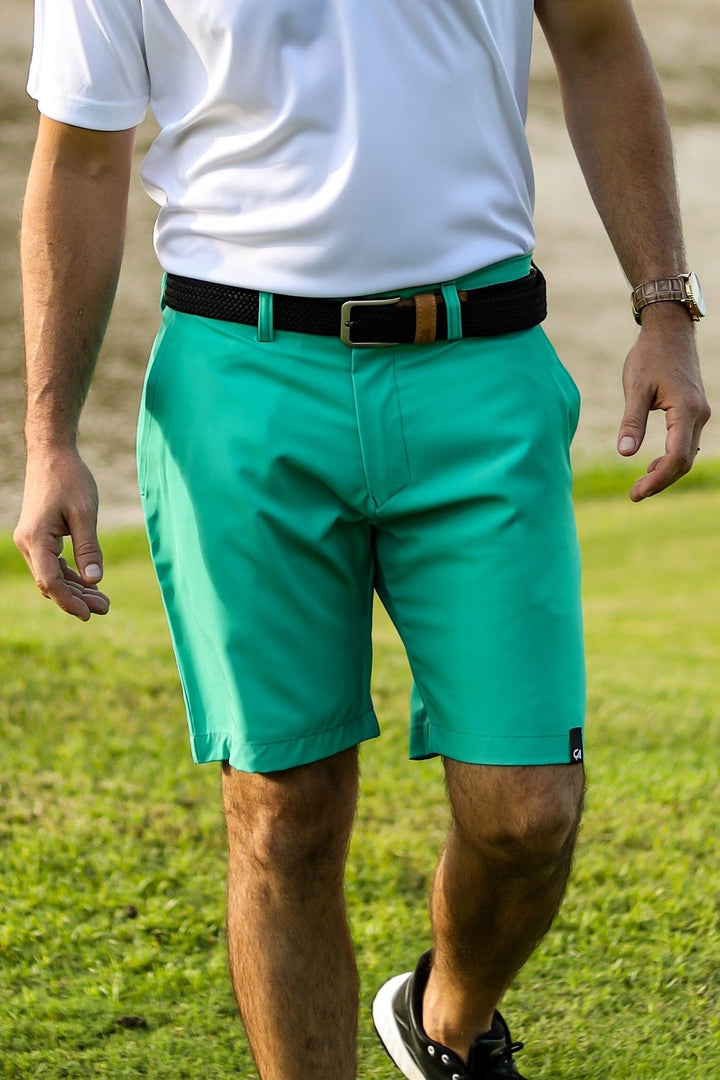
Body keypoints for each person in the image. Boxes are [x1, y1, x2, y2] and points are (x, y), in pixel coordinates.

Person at [14, 1, 709, 1078]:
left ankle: (447, 1024)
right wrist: (50, 436)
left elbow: (598, 40)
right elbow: (82, 159)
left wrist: (665, 311)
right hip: (239, 383)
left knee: (528, 811)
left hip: (479, 364)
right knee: (280, 813)